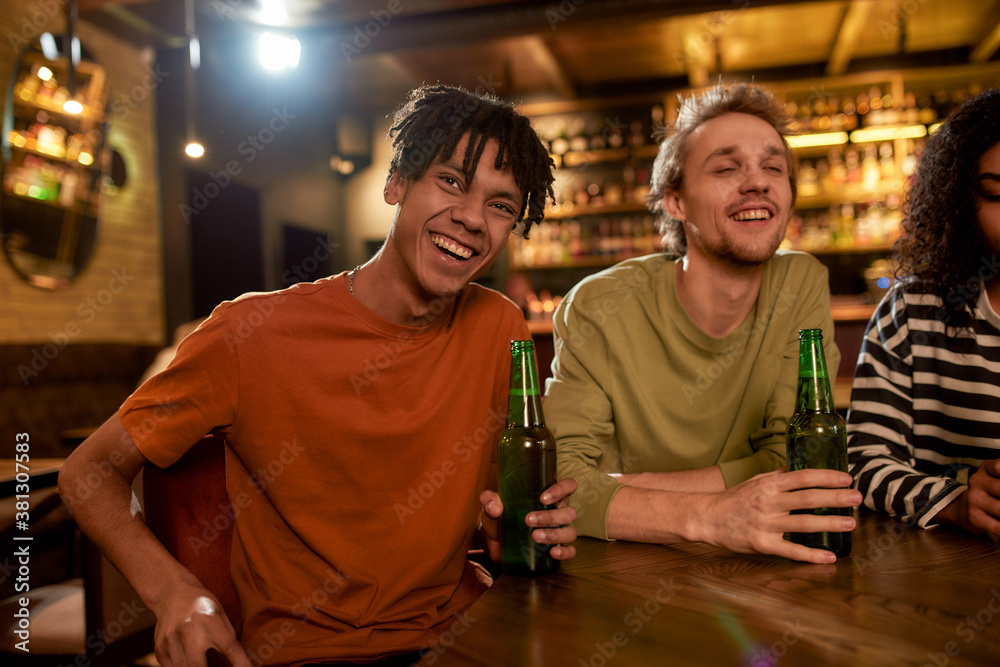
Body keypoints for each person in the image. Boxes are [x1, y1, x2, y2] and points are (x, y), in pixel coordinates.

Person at [58, 84, 578, 667]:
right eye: (452, 181)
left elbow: (490, 516)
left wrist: (524, 529)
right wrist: (176, 595)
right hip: (310, 654)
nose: (472, 219)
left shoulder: (501, 327)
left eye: (501, 205)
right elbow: (87, 472)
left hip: (470, 633)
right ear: (396, 184)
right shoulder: (247, 334)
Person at [544, 82, 860, 564]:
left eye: (773, 167)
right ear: (676, 202)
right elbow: (558, 484)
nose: (757, 181)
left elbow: (793, 460)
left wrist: (630, 490)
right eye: (727, 168)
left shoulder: (800, 283)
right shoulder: (598, 306)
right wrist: (710, 515)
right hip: (619, 569)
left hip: (760, 564)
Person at [848, 88, 1000, 538]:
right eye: (995, 195)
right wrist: (954, 501)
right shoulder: (912, 313)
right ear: (961, 203)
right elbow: (862, 460)